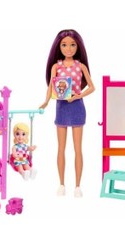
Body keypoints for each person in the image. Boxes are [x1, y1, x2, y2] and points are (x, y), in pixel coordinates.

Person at [39, 29, 95, 197]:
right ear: (59, 47)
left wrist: (78, 95)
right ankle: (61, 184)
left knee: (78, 148)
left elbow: (92, 87)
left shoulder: (80, 66)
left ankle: (77, 186)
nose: (68, 49)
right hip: (61, 107)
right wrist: (46, 101)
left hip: (77, 106)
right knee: (61, 148)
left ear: (78, 47)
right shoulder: (56, 66)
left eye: (72, 45)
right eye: (64, 45)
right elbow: (51, 86)